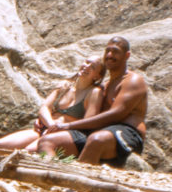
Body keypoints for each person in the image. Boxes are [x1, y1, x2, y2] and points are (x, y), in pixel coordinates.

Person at [35, 35, 149, 167]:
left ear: (127, 55)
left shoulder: (132, 80)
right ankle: (52, 174)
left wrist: (68, 126)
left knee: (96, 140)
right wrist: (45, 122)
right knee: (47, 142)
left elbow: (117, 114)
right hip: (97, 132)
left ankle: (78, 178)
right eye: (108, 51)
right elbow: (88, 115)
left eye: (115, 51)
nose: (110, 55)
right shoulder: (104, 86)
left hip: (127, 133)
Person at [0, 57, 103, 156]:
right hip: (46, 128)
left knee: (28, 152)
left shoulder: (94, 92)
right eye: (87, 62)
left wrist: (61, 127)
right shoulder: (65, 85)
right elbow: (44, 107)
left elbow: (88, 122)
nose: (87, 67)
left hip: (66, 135)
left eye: (92, 67)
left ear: (97, 77)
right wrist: (50, 124)